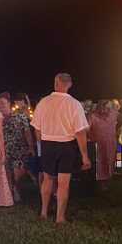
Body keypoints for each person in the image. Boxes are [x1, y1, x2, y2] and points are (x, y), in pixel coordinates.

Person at [31, 73, 91, 223]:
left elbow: (37, 129)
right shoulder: (75, 104)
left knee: (47, 179)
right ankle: (60, 217)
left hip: (48, 144)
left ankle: (44, 211)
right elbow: (80, 132)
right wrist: (85, 156)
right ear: (70, 85)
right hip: (67, 145)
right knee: (64, 183)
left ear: (55, 84)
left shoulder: (43, 102)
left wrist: (43, 143)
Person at [0, 92, 35, 203]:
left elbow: (27, 131)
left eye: (2, 103)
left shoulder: (19, 115)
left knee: (19, 172)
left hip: (19, 148)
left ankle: (16, 187)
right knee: (7, 172)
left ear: (9, 103)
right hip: (4, 149)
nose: (0, 106)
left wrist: (31, 146)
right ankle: (9, 195)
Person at [86, 99, 118, 190]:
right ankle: (99, 184)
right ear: (98, 108)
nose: (104, 111)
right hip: (97, 145)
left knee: (109, 161)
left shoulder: (114, 114)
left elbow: (121, 119)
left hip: (110, 143)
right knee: (99, 162)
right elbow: (85, 130)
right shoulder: (91, 116)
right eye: (102, 109)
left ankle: (106, 181)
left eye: (106, 109)